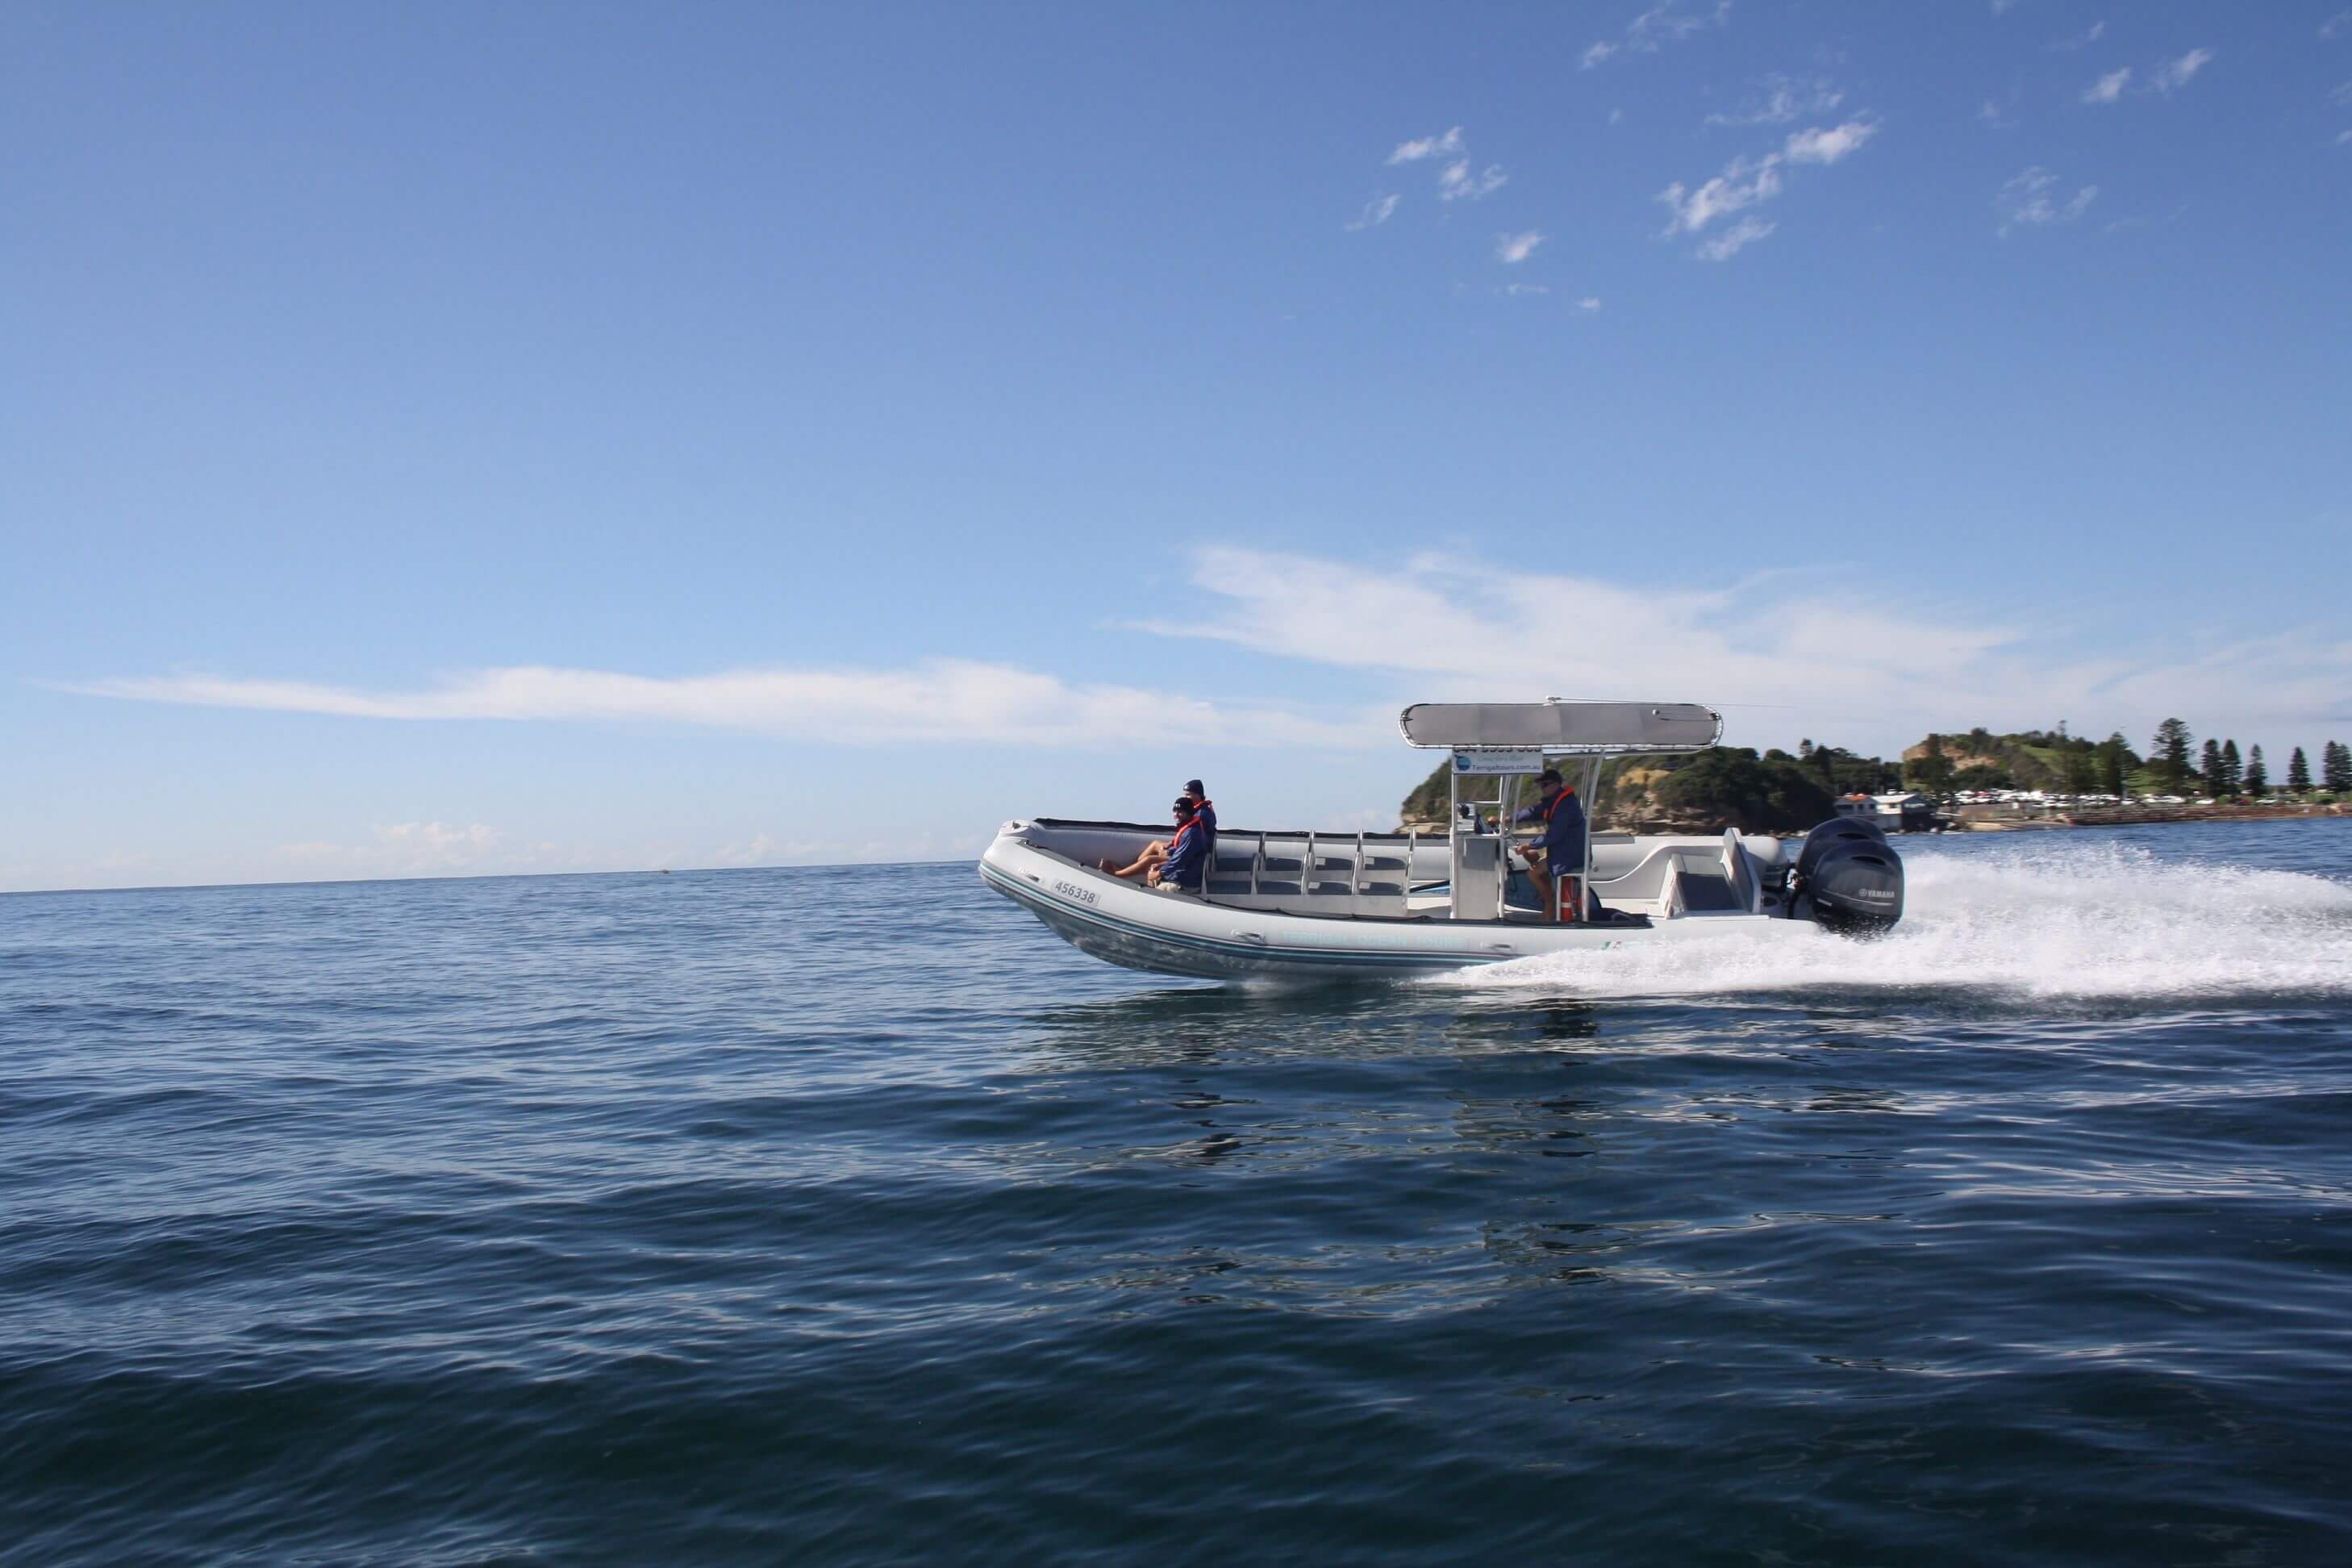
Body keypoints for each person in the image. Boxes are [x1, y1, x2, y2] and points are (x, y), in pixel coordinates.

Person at [1512, 769, 1588, 922]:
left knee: (1532, 872)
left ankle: (1549, 905)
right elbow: (1532, 813)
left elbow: (1554, 835)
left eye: (1545, 784)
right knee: (1532, 858)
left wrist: (1529, 845)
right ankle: (1549, 899)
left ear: (1557, 784)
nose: (1543, 788)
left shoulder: (1566, 806)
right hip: (1563, 851)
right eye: (1541, 785)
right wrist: (1507, 819)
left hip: (1570, 855)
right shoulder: (1555, 801)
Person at [1102, 779, 1214, 878]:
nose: (1186, 798)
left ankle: (1117, 875)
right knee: (1156, 844)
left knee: (1149, 860)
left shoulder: (1201, 815)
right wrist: (1171, 844)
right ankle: (1128, 869)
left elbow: (1191, 844)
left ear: (1198, 795)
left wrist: (1171, 851)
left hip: (1192, 854)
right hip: (1185, 847)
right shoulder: (1198, 811)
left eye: (1188, 795)